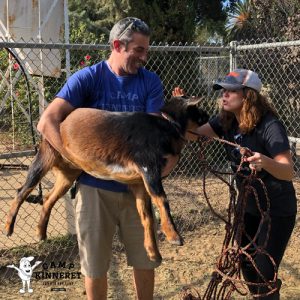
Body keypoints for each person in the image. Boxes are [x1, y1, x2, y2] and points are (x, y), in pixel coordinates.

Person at [37, 17, 164, 300]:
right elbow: (47, 122)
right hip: (95, 189)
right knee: (94, 266)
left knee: (146, 259)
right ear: (118, 45)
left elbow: (153, 135)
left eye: (146, 51)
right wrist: (76, 159)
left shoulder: (150, 82)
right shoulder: (88, 78)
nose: (144, 57)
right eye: (139, 50)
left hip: (136, 189)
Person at [173, 69, 297, 299]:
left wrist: (266, 162)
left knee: (263, 269)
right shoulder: (226, 121)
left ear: (248, 95)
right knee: (246, 264)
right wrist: (180, 108)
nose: (224, 95)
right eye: (223, 90)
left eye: (231, 90)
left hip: (277, 210)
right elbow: (193, 135)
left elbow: (288, 170)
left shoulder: (270, 126)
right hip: (249, 207)